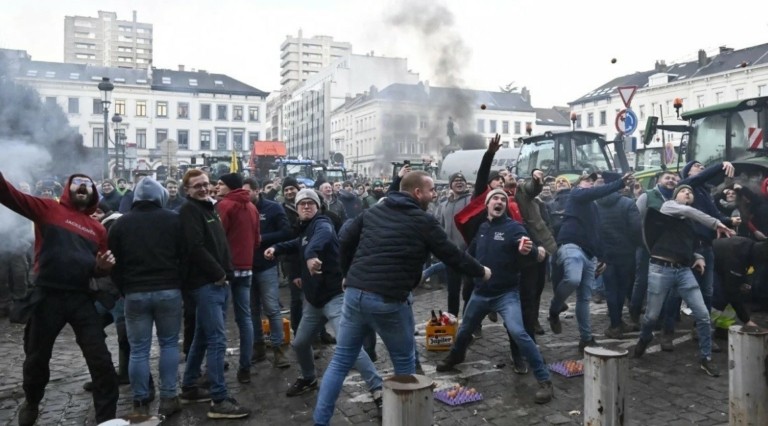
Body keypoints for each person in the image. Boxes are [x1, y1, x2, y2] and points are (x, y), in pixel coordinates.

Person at [312, 171, 490, 426]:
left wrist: (347, 273)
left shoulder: (373, 212)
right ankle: (409, 420)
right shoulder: (424, 220)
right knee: (404, 362)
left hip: (355, 293)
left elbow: (346, 239)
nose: (433, 195)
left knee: (340, 360)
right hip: (387, 299)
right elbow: (452, 255)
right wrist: (481, 271)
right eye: (430, 190)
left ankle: (320, 422)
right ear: (417, 192)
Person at [0, 172, 118, 425]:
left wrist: (102, 267)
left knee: (102, 362)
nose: (83, 187)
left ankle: (107, 419)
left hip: (81, 298)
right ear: (68, 188)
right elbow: (9, 194)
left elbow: (97, 268)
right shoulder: (47, 208)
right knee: (36, 358)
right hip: (47, 297)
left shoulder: (97, 228)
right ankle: (32, 401)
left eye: (88, 184)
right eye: (78, 183)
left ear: (93, 193)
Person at [264, 189, 384, 412]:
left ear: (318, 207)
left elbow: (321, 238)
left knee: (348, 346)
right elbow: (297, 243)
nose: (307, 206)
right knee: (300, 343)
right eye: (302, 204)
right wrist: (276, 248)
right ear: (297, 209)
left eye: (311, 203)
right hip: (314, 301)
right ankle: (309, 378)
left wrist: (311, 256)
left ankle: (378, 389)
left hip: (335, 297)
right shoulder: (304, 229)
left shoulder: (322, 223)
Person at [435, 189, 553, 404]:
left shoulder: (513, 228)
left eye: (503, 199)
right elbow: (466, 257)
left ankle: (544, 380)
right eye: (495, 199)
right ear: (487, 205)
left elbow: (530, 248)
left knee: (519, 333)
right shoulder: (483, 228)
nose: (499, 201)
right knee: (464, 330)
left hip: (506, 294)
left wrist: (530, 250)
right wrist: (433, 269)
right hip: (481, 293)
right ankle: (456, 356)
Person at [633, 185, 734, 377]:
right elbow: (687, 210)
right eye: (683, 191)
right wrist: (716, 223)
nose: (688, 192)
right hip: (660, 268)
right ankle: (644, 339)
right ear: (674, 196)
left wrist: (698, 257)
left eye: (691, 191)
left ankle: (706, 358)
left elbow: (689, 244)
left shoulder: (689, 222)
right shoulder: (668, 207)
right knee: (652, 317)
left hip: (683, 270)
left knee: (703, 315)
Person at [108, 178, 184, 417]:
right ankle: (169, 397)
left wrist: (124, 288)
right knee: (169, 344)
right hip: (169, 290)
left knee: (139, 349)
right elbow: (185, 256)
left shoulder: (121, 224)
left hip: (134, 292)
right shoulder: (174, 219)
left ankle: (140, 401)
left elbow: (113, 263)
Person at [178, 169, 249, 419]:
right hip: (206, 283)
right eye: (197, 185)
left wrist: (225, 272)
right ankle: (219, 398)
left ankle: (189, 386)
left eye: (206, 184)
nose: (203, 188)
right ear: (187, 190)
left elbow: (218, 244)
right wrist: (219, 273)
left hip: (217, 282)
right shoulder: (189, 210)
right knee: (218, 340)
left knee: (201, 336)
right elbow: (195, 248)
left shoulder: (209, 208)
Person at [548, 171, 634, 352]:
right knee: (572, 279)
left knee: (584, 299)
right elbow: (594, 192)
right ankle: (555, 308)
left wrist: (601, 257)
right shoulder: (576, 193)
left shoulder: (594, 207)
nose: (592, 183)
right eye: (588, 180)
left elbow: (598, 233)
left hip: (589, 253)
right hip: (571, 244)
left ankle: (586, 339)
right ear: (579, 184)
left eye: (594, 181)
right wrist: (619, 183)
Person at [242, 178, 293, 365]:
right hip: (246, 267)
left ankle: (279, 350)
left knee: (272, 308)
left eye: (248, 192)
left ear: (257, 190)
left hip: (266, 266)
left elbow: (286, 232)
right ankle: (258, 348)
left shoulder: (273, 208)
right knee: (252, 310)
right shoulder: (242, 208)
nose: (245, 196)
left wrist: (262, 238)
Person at [215, 173, 260, 383]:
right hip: (247, 268)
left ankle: (215, 367)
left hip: (227, 270)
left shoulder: (225, 205)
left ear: (230, 187)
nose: (216, 187)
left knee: (220, 320)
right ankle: (245, 367)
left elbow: (217, 237)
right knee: (245, 319)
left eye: (220, 184)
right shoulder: (251, 206)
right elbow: (257, 239)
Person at [435, 172, 472, 316]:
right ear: (451, 185)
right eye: (455, 180)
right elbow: (440, 226)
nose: (459, 182)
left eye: (462, 180)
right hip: (451, 254)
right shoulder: (444, 204)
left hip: (468, 253)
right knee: (453, 291)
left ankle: (472, 325)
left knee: (468, 290)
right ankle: (452, 319)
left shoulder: (470, 201)